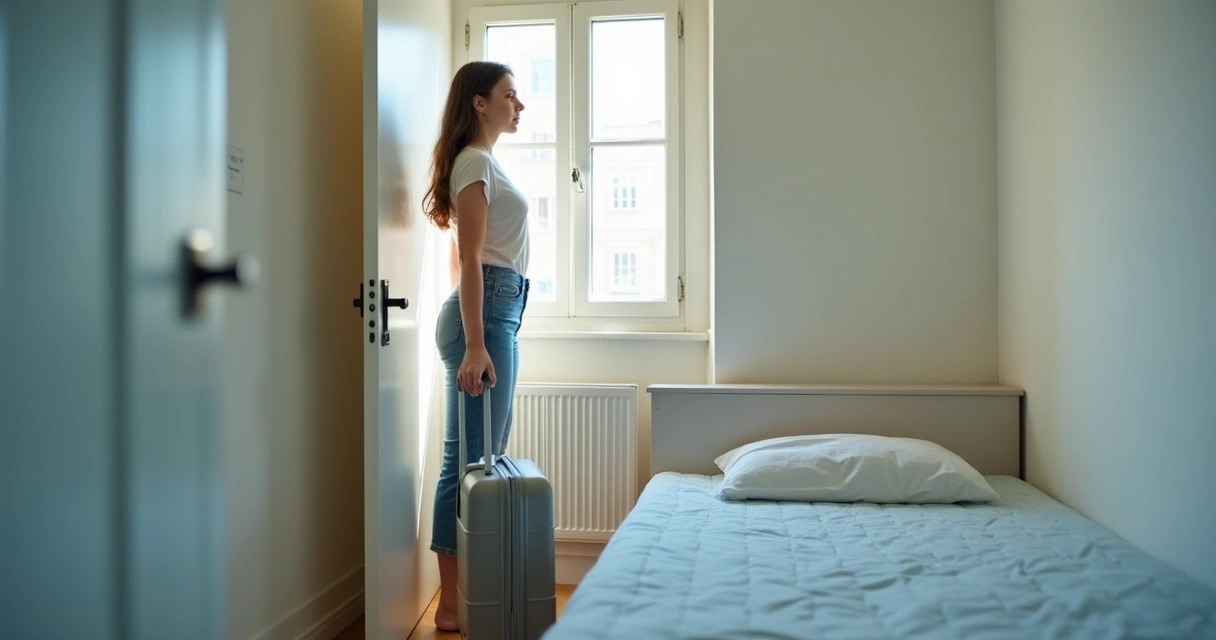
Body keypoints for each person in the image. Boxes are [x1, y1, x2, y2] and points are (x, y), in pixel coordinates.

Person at [421, 60, 529, 632]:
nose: (520, 105)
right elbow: (469, 258)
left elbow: (468, 257)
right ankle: (456, 599)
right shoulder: (475, 162)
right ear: (480, 103)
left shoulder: (482, 163)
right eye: (510, 95)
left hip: (490, 312)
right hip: (484, 316)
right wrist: (475, 345)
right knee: (472, 463)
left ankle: (457, 598)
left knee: (469, 459)